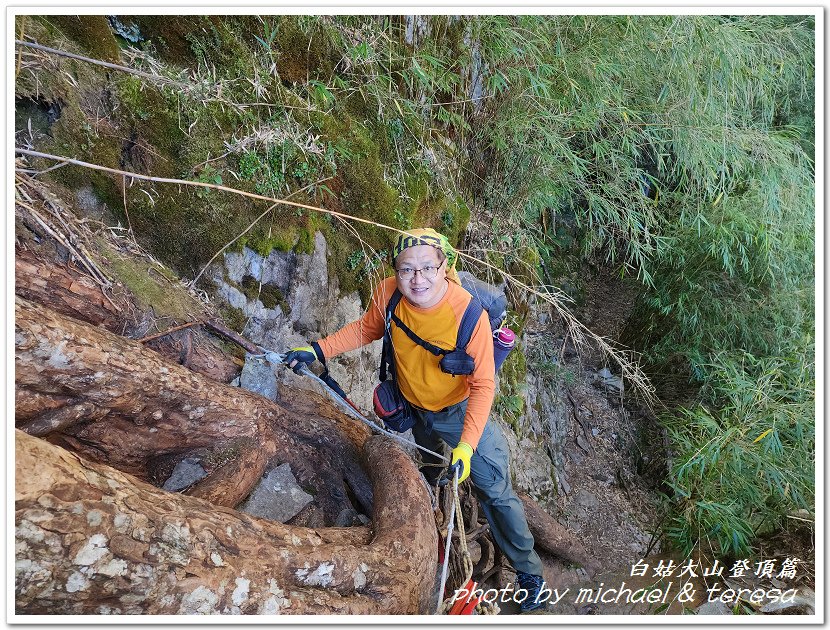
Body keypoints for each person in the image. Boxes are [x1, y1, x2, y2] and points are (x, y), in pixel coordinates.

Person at [285, 228, 547, 613]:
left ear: (445, 267)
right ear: (396, 270)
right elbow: (365, 328)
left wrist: (468, 445)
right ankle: (438, 540)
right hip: (415, 406)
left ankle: (529, 575)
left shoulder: (467, 313)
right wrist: (317, 349)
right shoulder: (390, 294)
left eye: (427, 268)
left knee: (495, 490)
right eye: (407, 269)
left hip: (458, 413)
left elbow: (484, 385)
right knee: (430, 472)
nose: (417, 279)